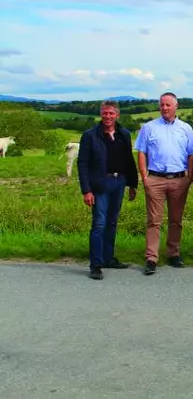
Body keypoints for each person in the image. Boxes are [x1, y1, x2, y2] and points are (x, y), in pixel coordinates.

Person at [134, 92, 193, 276]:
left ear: (176, 106)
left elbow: (192, 154)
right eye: (162, 105)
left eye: (168, 105)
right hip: (155, 179)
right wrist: (144, 177)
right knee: (153, 221)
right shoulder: (148, 128)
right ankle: (151, 258)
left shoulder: (186, 129)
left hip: (179, 179)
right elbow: (141, 153)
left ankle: (173, 253)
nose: (164, 108)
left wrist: (189, 177)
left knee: (176, 220)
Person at [77, 100, 138, 280]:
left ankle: (108, 258)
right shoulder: (90, 136)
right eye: (105, 113)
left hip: (119, 181)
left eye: (111, 113)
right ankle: (96, 264)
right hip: (100, 184)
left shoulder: (124, 134)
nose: (108, 117)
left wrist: (133, 184)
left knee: (112, 222)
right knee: (99, 223)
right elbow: (83, 164)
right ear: (101, 114)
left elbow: (129, 160)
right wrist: (86, 190)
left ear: (117, 114)